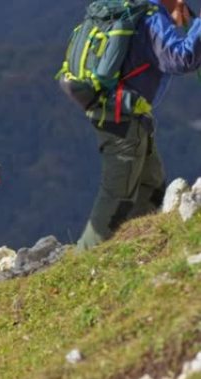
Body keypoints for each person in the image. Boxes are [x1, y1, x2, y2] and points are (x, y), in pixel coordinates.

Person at [76, 0, 201, 250]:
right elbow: (181, 59)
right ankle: (85, 257)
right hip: (122, 118)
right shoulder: (152, 18)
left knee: (150, 182)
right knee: (117, 194)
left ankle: (138, 244)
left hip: (121, 112)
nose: (184, 17)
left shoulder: (134, 12)